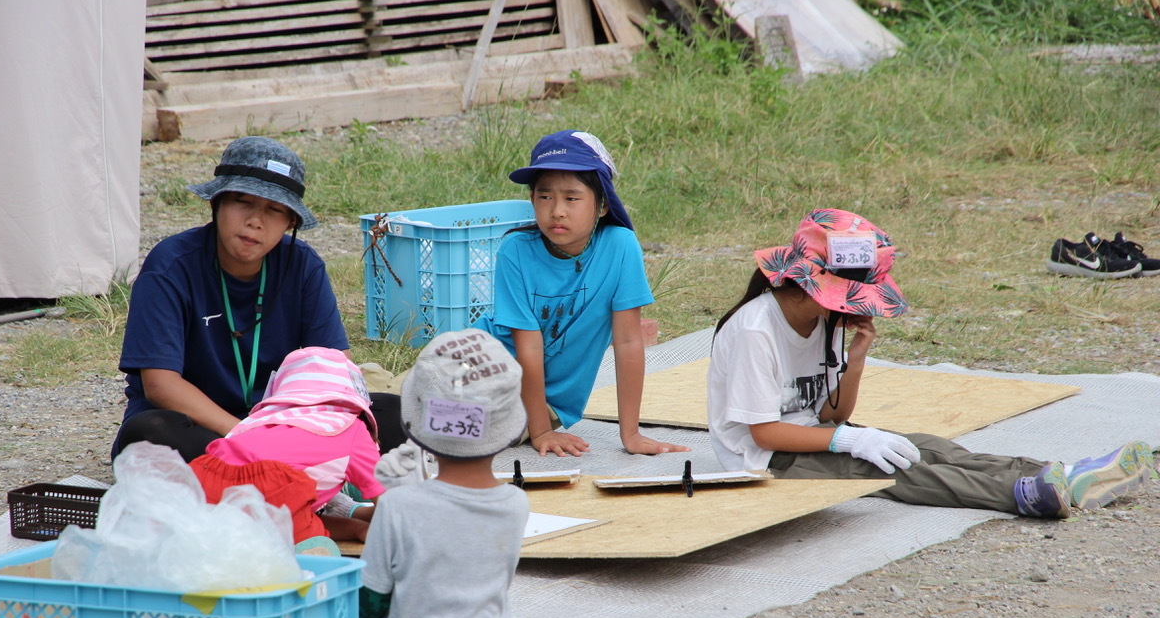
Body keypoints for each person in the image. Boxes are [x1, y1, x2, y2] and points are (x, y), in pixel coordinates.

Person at [706, 208, 1153, 519]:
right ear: (808, 286)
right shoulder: (754, 331)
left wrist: (855, 360)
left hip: (809, 437)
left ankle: (1059, 474)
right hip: (765, 461)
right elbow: (763, 433)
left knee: (926, 446)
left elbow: (831, 415)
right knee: (894, 469)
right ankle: (1022, 494)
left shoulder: (824, 321)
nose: (851, 309)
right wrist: (848, 441)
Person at [113, 135, 402, 463]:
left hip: (284, 421)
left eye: (274, 209)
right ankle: (297, 476)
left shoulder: (303, 265)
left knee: (392, 414)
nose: (255, 221)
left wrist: (289, 429)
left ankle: (279, 474)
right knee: (150, 433)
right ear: (216, 203)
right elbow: (160, 385)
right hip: (203, 424)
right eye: (242, 201)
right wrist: (246, 434)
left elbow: (333, 369)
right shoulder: (170, 266)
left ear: (290, 221)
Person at [475, 129, 689, 458]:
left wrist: (630, 434)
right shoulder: (515, 250)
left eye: (572, 198)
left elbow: (629, 341)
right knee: (405, 406)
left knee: (452, 428)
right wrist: (541, 432)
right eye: (545, 197)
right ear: (532, 199)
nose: (557, 210)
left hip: (544, 403)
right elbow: (527, 347)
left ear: (602, 205)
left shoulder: (620, 246)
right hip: (484, 365)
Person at [358, 328, 528, 618]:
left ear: (418, 418)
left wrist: (393, 503)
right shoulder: (516, 505)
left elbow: (368, 608)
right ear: (506, 428)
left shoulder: (399, 506)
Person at [190, 346, 384, 544]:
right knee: (303, 540)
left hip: (204, 480)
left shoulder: (255, 423)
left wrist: (358, 527)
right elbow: (390, 501)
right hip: (274, 494)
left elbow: (296, 516)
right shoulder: (352, 428)